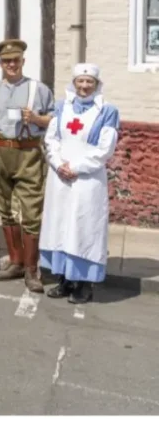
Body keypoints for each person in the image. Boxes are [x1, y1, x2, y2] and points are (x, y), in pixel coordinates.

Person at [40, 64, 120, 306]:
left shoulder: (107, 112)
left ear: (97, 85)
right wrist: (57, 162)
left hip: (87, 180)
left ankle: (84, 284)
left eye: (89, 82)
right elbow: (51, 139)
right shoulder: (62, 108)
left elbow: (104, 150)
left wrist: (75, 167)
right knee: (60, 225)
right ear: (73, 83)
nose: (84, 87)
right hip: (60, 177)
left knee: (83, 228)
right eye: (80, 82)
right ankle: (64, 278)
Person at [0, 38, 55, 293]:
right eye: (6, 61)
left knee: (32, 212)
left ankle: (32, 269)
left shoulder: (39, 89)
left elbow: (55, 120)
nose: (11, 64)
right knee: (4, 210)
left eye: (15, 60)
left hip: (28, 153)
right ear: (0, 64)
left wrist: (36, 118)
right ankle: (15, 262)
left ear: (23, 61)